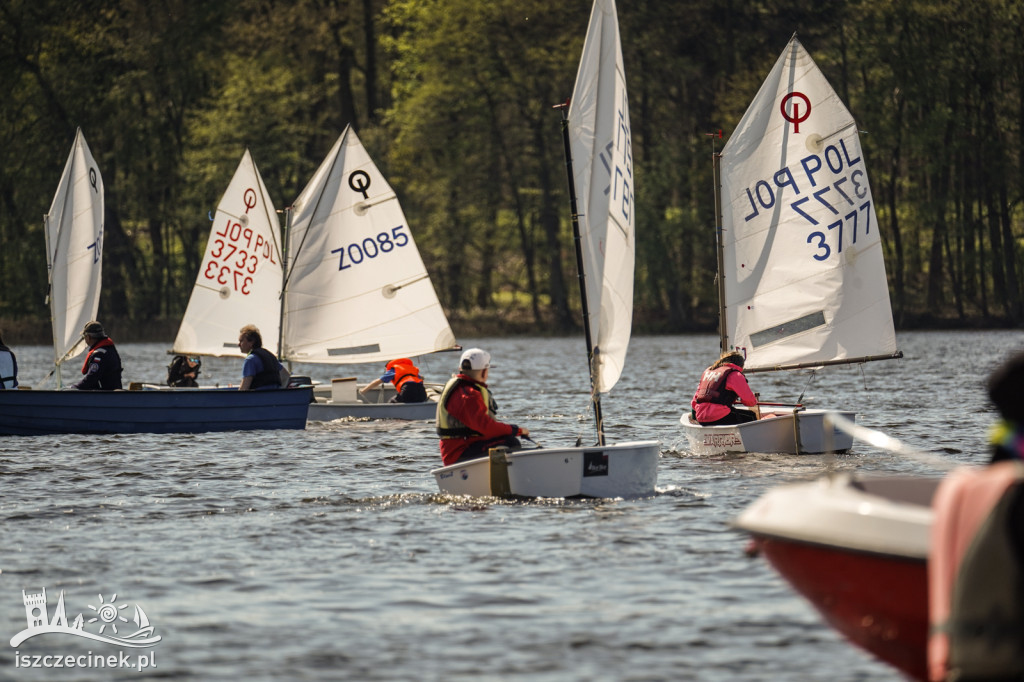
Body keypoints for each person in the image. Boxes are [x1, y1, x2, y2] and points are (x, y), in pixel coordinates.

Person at [436, 348, 529, 466]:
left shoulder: (464, 390)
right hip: (459, 454)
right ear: (484, 372)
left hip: (462, 449)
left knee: (507, 438)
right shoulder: (469, 394)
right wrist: (517, 430)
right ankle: (505, 480)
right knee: (511, 442)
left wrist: (511, 430)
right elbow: (486, 427)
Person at [691, 349, 759, 425]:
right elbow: (750, 402)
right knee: (751, 416)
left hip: (700, 417)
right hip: (719, 416)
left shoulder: (708, 371)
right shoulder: (735, 374)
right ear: (741, 365)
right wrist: (753, 400)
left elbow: (694, 402)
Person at [71, 321, 123, 390]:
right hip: (112, 392)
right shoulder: (109, 349)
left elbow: (92, 378)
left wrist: (75, 388)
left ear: (88, 337)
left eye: (84, 337)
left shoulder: (99, 354)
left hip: (107, 395)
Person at [237, 324, 289, 390]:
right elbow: (286, 376)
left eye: (241, 341)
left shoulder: (250, 360)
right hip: (275, 397)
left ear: (251, 342)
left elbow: (244, 389)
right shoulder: (270, 356)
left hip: (258, 398)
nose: (238, 344)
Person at [359, 358, 428, 403]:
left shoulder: (394, 369)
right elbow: (421, 378)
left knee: (391, 402)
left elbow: (377, 381)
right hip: (422, 392)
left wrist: (363, 390)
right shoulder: (410, 369)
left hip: (408, 390)